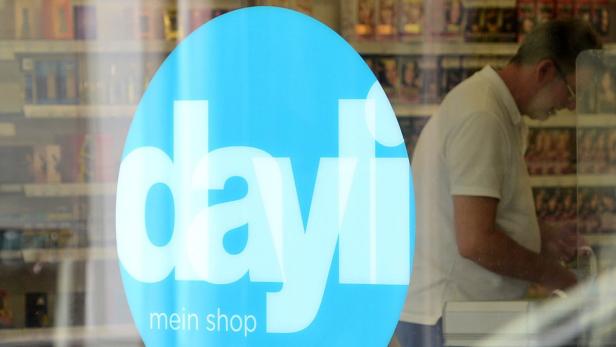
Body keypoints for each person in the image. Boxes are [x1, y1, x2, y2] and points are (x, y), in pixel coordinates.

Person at [394, 19, 602, 347]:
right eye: (572, 91)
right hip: (449, 318)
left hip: (457, 314)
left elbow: (476, 217)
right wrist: (556, 276)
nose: (570, 105)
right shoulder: (482, 116)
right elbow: (476, 241)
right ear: (545, 70)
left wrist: (541, 236)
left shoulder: (496, 110)